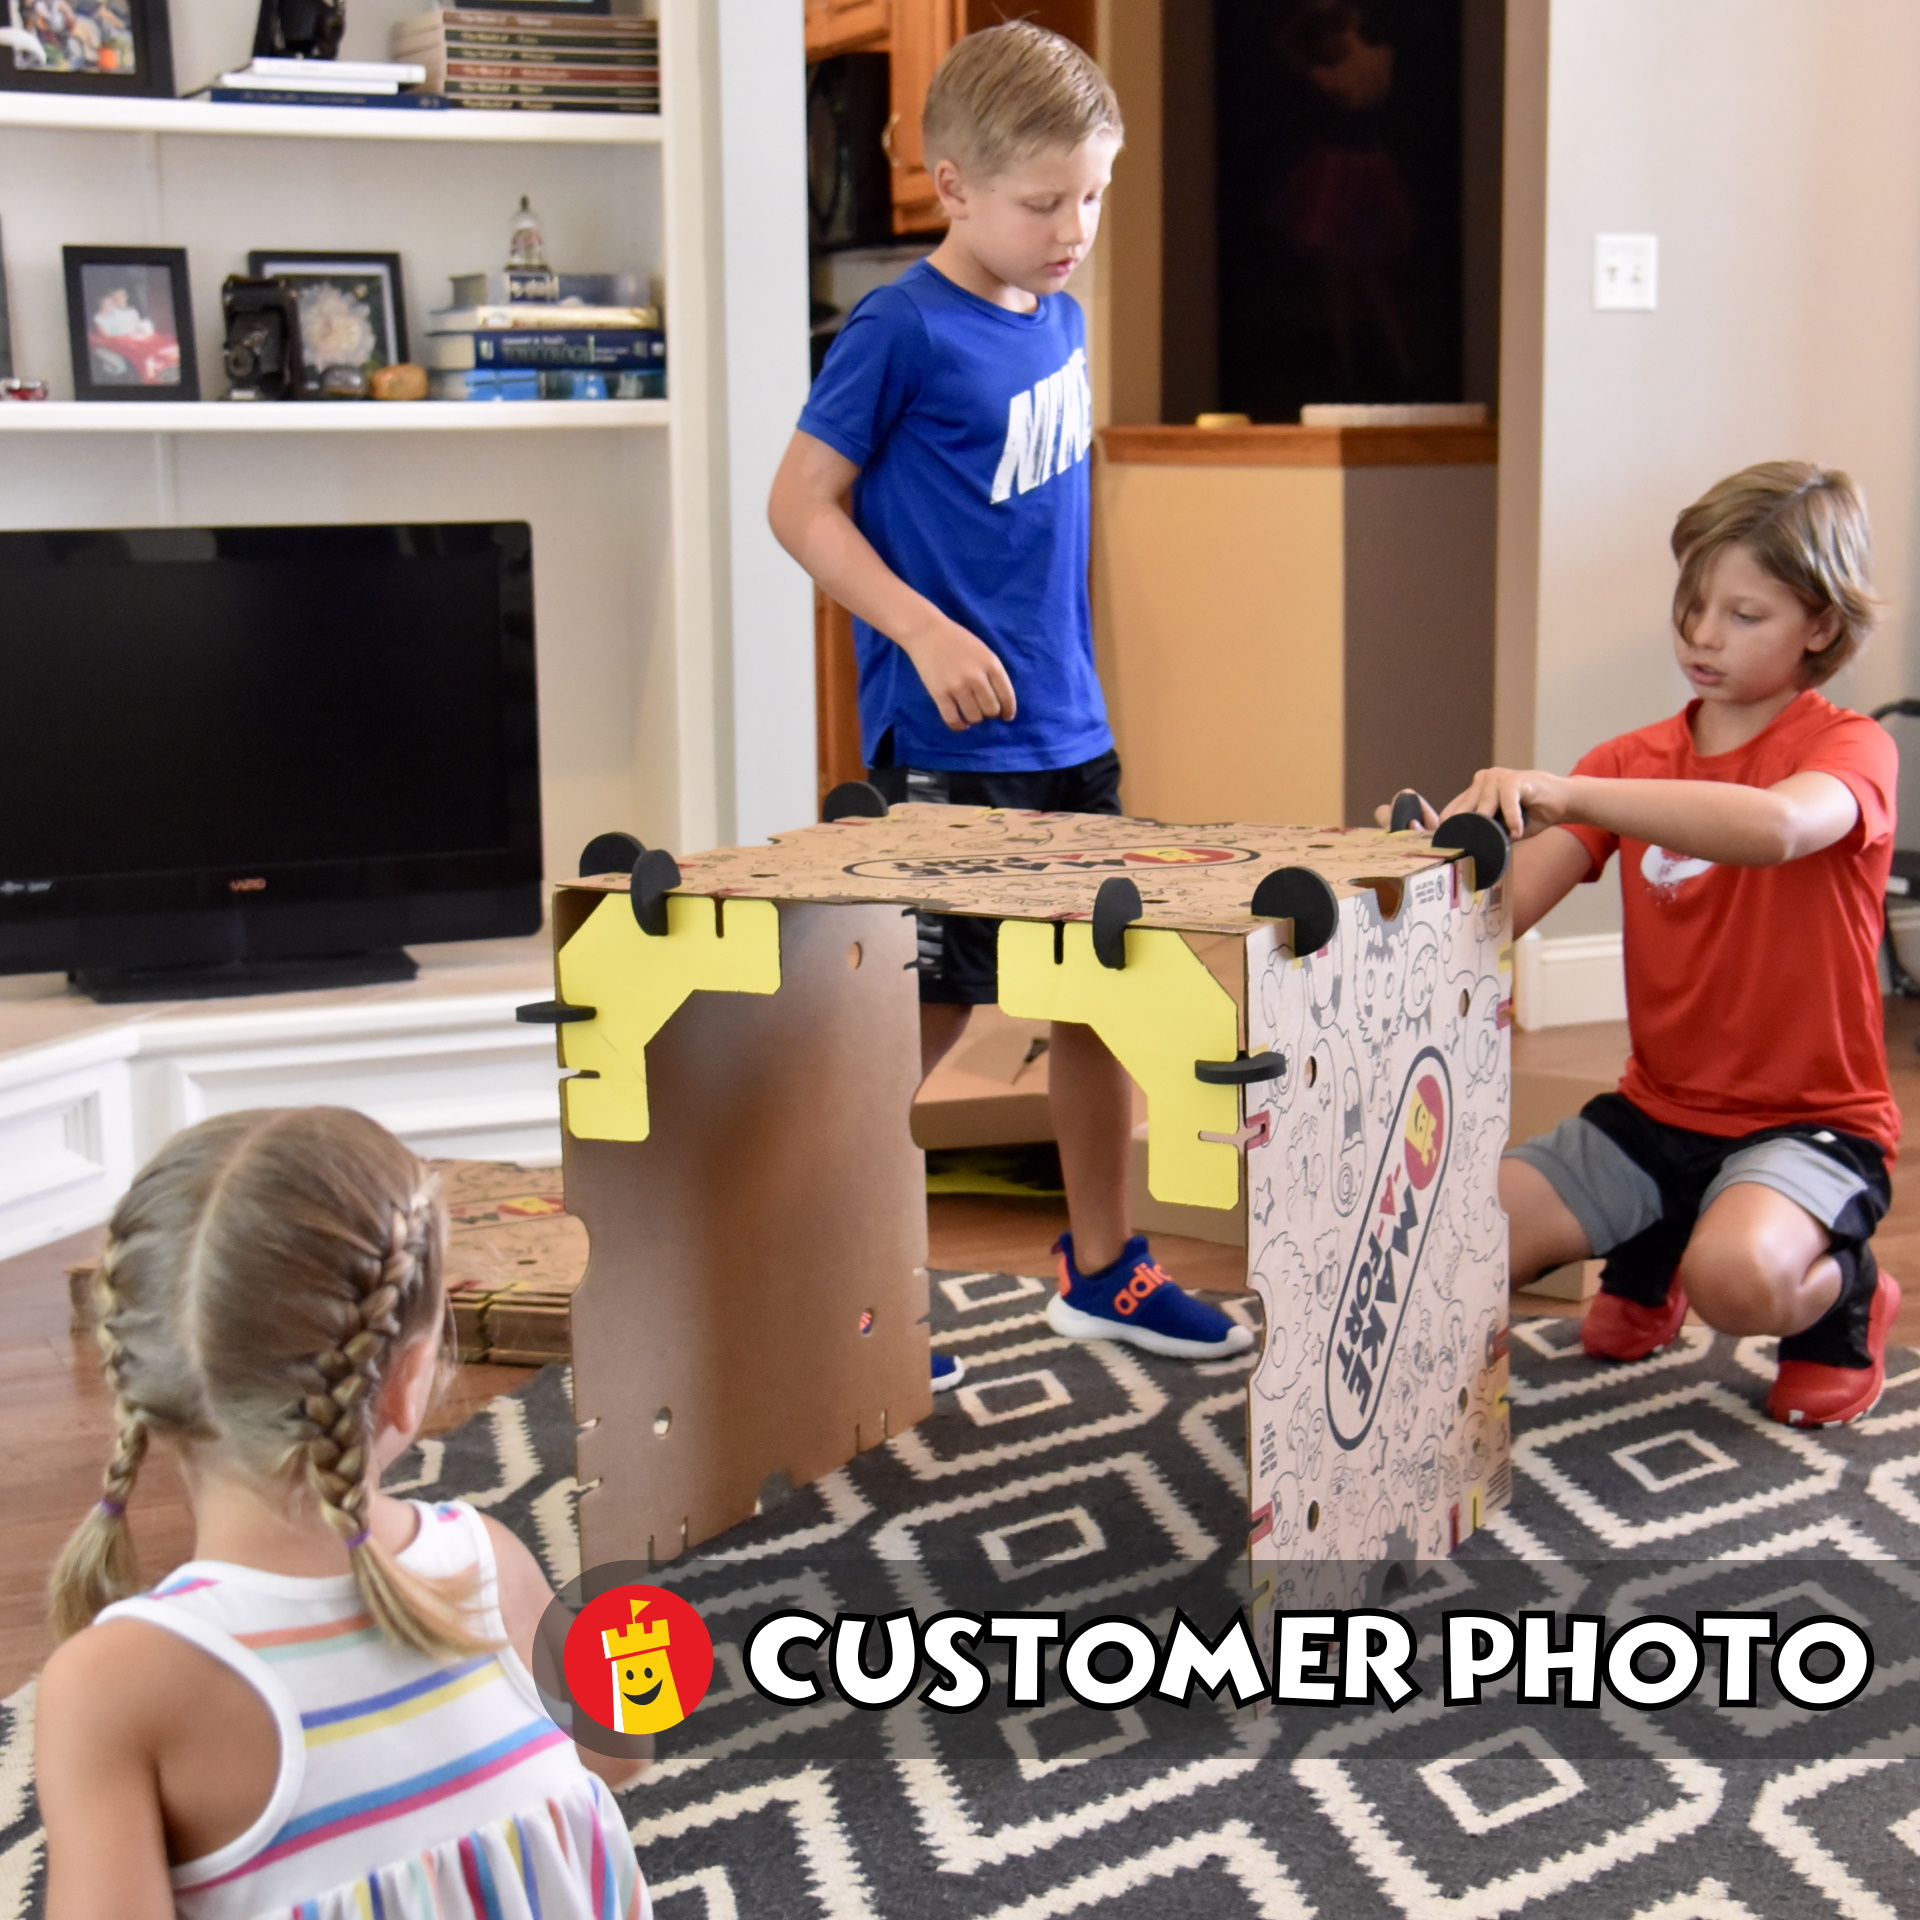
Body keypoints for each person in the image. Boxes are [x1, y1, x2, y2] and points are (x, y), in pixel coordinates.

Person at [769, 22, 1252, 1377]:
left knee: (1097, 998)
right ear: (954, 185)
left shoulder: (1064, 318)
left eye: (1092, 195)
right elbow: (798, 505)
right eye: (1044, 202)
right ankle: (835, 1296)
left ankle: (1104, 1271)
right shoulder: (896, 326)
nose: (1073, 227)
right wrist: (918, 630)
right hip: (940, 743)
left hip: (1067, 733)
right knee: (918, 1018)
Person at [34, 1108, 649, 1920]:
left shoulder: (113, 1685)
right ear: (409, 1377)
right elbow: (616, 1752)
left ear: (136, 1377)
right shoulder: (485, 1560)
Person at [1410, 462, 1898, 1426]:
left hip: (1812, 1123)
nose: (1703, 635)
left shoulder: (1850, 750)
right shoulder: (1629, 763)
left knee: (1738, 1284)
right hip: (1655, 1113)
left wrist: (1574, 793)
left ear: (1823, 627)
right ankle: (1660, 1235)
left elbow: (1775, 828)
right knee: (1451, 1244)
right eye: (1693, 605)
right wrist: (1437, 864)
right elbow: (1501, 919)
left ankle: (1843, 1299)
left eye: (1744, 614)